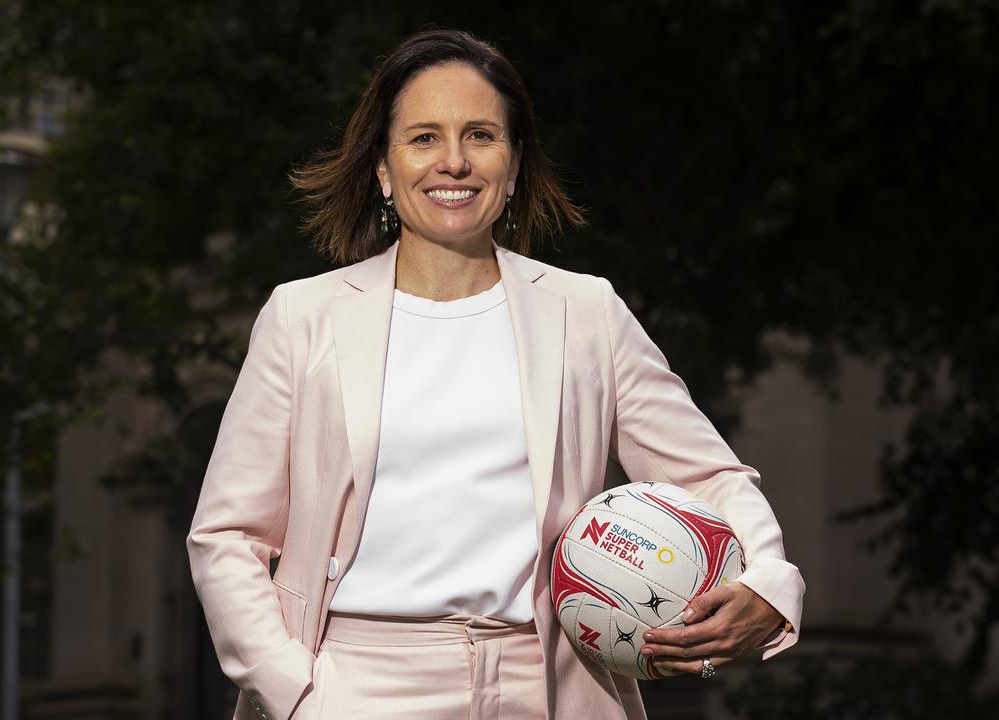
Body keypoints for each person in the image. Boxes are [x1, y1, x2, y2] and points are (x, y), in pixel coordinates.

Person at [186, 29, 804, 720]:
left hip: (551, 688)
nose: (453, 161)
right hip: (356, 685)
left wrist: (770, 579)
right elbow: (229, 536)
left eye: (480, 135)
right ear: (383, 171)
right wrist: (296, 693)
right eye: (423, 138)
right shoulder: (303, 317)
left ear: (512, 168)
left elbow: (709, 477)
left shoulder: (586, 311)